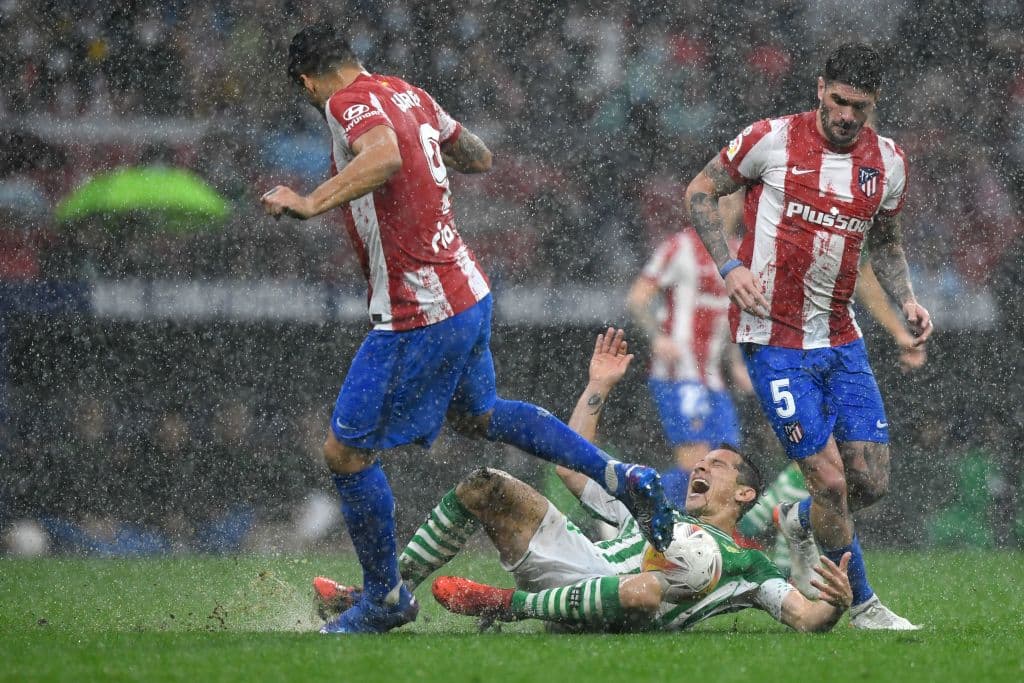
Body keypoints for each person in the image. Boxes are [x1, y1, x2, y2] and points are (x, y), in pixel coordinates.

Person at [259, 24, 674, 634]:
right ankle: (621, 476)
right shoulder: (408, 93)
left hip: (418, 308)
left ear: (306, 80)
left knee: (345, 454)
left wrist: (311, 201)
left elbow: (383, 155)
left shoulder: (345, 102)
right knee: (480, 415)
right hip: (467, 289)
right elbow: (477, 156)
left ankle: (383, 599)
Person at [315, 329, 852, 633]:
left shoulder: (748, 567)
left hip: (624, 607)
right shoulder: (654, 508)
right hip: (579, 568)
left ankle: (502, 604)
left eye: (719, 464)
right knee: (484, 485)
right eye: (703, 460)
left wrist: (837, 603)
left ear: (744, 493)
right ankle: (384, 590)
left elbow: (806, 617)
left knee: (646, 589)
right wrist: (597, 387)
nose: (703, 466)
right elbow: (573, 466)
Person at [683, 42, 932, 629]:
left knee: (867, 482)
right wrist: (729, 266)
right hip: (772, 339)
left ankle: (797, 520)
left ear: (875, 104)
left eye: (860, 107)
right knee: (829, 477)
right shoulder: (771, 139)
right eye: (839, 101)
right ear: (821, 88)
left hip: (841, 339)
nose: (847, 116)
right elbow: (699, 191)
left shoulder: (888, 163)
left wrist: (908, 301)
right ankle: (864, 605)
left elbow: (887, 242)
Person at [626, 191, 749, 508]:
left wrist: (736, 362)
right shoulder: (680, 246)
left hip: (711, 377)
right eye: (721, 202)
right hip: (678, 373)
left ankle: (655, 517)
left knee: (727, 456)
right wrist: (656, 337)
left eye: (734, 203)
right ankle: (632, 510)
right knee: (695, 461)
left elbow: (731, 316)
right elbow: (638, 298)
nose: (727, 209)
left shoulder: (738, 255)